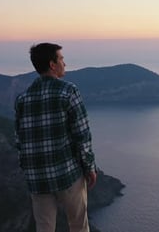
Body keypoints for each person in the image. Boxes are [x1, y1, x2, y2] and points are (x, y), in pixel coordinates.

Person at [14, 43, 97, 232]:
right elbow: (82, 135)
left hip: (37, 178)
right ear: (52, 64)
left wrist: (29, 171)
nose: (64, 63)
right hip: (67, 173)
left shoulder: (22, 99)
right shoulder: (68, 91)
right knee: (78, 225)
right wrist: (90, 167)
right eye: (61, 59)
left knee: (44, 228)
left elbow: (19, 141)